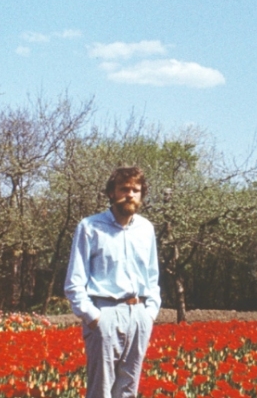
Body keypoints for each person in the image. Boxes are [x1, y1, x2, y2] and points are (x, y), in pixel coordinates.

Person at [64, 166, 161, 398]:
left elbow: (152, 278)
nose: (130, 194)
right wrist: (93, 317)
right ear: (111, 193)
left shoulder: (146, 229)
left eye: (136, 190)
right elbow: (74, 282)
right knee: (101, 390)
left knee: (129, 388)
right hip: (105, 313)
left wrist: (149, 314)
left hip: (138, 314)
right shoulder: (90, 227)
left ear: (142, 195)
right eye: (124, 189)